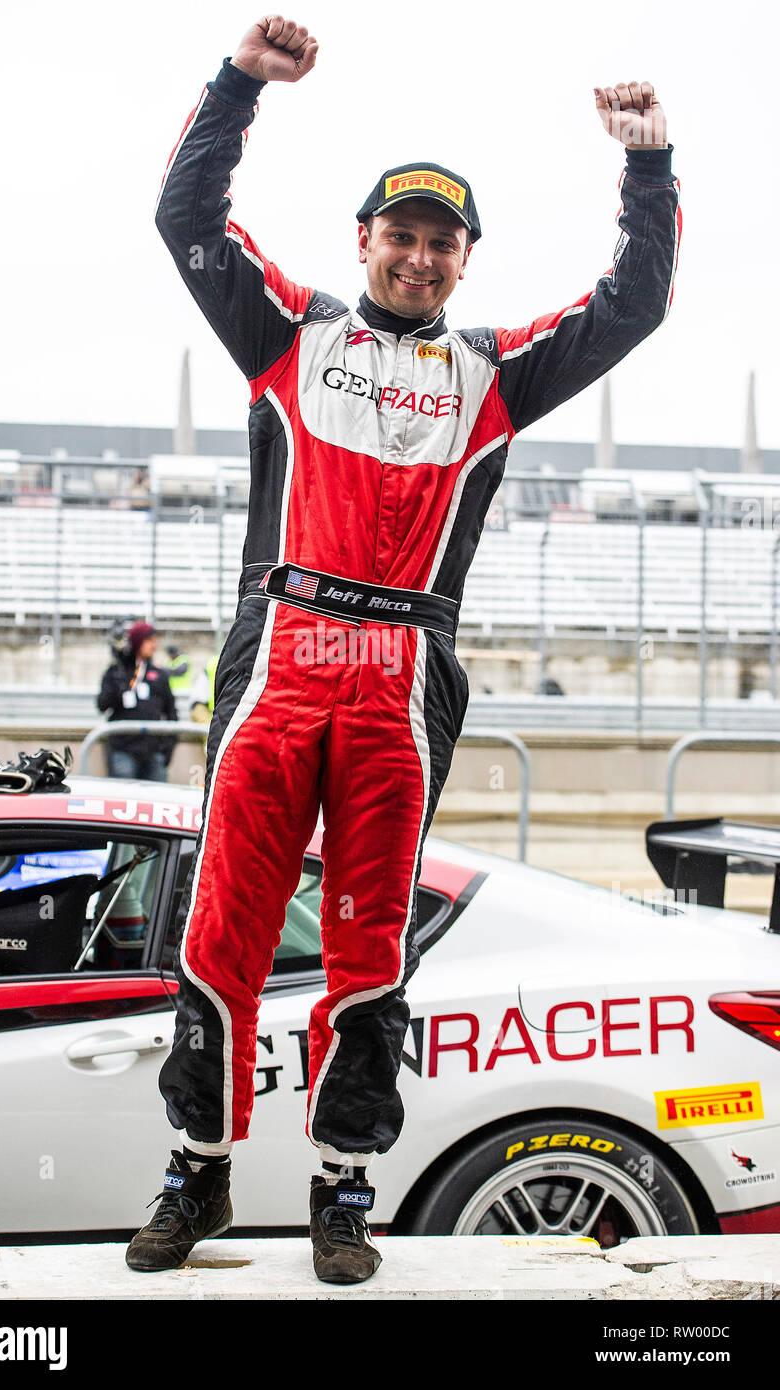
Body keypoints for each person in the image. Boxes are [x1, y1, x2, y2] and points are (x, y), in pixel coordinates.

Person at [126, 15, 680, 1283]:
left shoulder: (492, 372)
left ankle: (344, 1191)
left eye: (444, 240)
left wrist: (647, 165)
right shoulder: (288, 330)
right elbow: (186, 215)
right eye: (403, 232)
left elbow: (634, 301)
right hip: (281, 650)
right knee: (227, 927)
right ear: (365, 240)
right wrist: (239, 83)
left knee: (373, 942)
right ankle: (195, 1174)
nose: (421, 255)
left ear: (465, 259)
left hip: (404, 677)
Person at [96, 621, 178, 781]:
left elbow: (171, 712)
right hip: (123, 749)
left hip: (154, 752)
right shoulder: (116, 671)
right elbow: (102, 704)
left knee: (157, 798)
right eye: (149, 641)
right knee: (125, 798)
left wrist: (168, 748)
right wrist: (119, 686)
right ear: (138, 641)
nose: (154, 646)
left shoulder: (159, 675)